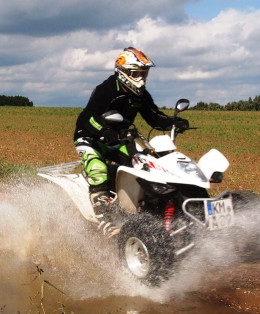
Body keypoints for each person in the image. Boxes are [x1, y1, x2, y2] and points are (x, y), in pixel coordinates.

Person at [73, 47, 189, 236]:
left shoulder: (140, 94)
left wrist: (173, 122)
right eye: (137, 74)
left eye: (144, 74)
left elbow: (154, 117)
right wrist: (104, 131)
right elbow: (86, 118)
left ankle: (146, 211)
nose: (142, 79)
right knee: (98, 171)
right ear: (123, 72)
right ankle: (104, 221)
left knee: (142, 168)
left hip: (120, 138)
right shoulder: (107, 89)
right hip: (90, 138)